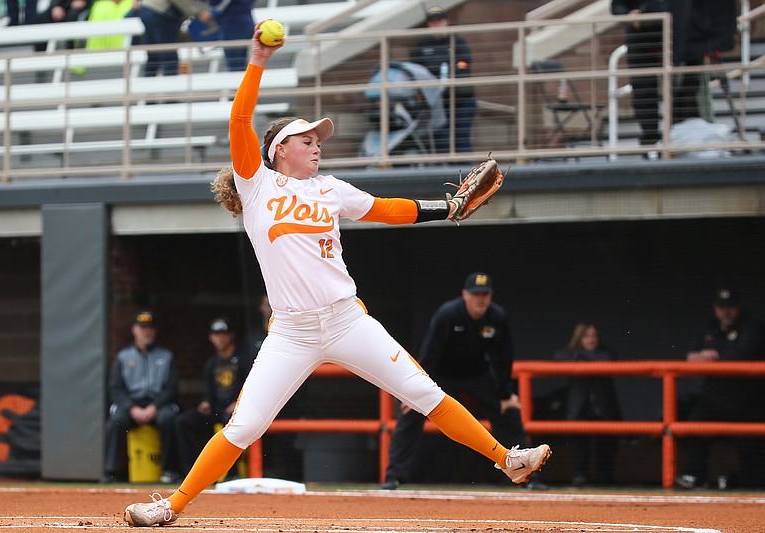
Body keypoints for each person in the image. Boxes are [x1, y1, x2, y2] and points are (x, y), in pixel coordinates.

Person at [122, 26, 551, 527]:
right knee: (245, 426)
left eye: (317, 139)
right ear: (281, 148)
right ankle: (169, 507)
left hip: (348, 320)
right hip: (292, 333)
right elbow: (240, 117)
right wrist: (258, 57)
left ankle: (508, 460)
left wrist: (447, 208)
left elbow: (388, 209)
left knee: (424, 393)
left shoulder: (330, 189)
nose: (316, 144)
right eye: (307, 139)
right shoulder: (257, 186)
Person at [382, 272, 546, 490]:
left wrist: (506, 394)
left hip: (477, 374)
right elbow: (430, 353)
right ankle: (394, 476)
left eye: (485, 294)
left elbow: (503, 358)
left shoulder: (497, 317)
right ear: (465, 295)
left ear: (491, 296)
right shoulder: (447, 314)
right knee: (410, 410)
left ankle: (528, 475)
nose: (480, 299)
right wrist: (415, 388)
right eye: (476, 294)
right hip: (441, 374)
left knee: (508, 411)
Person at [676, 288, 765, 490]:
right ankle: (694, 475)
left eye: (730, 307)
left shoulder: (752, 326)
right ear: (716, 308)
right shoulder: (710, 326)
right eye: (721, 307)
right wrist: (698, 355)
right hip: (715, 397)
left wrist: (713, 356)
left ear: (738, 307)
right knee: (695, 425)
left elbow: (744, 354)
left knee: (750, 447)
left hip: (748, 399)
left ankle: (746, 481)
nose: (726, 312)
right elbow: (689, 353)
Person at [103, 310, 181, 484]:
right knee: (116, 420)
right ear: (134, 330)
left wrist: (154, 406)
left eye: (150, 328)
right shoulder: (123, 357)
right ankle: (110, 471)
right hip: (132, 405)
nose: (147, 331)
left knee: (169, 419)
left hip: (158, 404)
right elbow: (115, 388)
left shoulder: (166, 356)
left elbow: (172, 388)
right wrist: (132, 407)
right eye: (143, 328)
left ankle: (168, 470)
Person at [173, 317, 251, 481]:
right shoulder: (211, 363)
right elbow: (209, 392)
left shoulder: (243, 359)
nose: (221, 337)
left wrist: (238, 403)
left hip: (237, 410)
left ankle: (233, 473)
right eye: (217, 334)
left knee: (229, 420)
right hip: (216, 410)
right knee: (183, 422)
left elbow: (251, 385)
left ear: (232, 336)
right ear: (211, 337)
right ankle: (191, 473)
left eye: (224, 333)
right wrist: (205, 403)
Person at [554, 323, 621, 486]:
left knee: (605, 446)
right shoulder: (570, 354)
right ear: (579, 339)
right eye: (586, 336)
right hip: (580, 409)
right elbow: (558, 357)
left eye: (594, 336)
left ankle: (604, 478)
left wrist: (583, 359)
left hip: (603, 409)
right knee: (581, 447)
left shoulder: (606, 353)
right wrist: (581, 359)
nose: (591, 339)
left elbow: (609, 357)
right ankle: (580, 475)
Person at [409, 6, 476, 154]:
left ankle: (469, 175)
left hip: (461, 100)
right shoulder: (422, 46)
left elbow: (464, 64)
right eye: (432, 22)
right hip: (436, 102)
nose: (436, 25)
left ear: (446, 21)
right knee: (442, 139)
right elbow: (416, 71)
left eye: (439, 21)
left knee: (461, 137)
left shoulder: (457, 41)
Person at [610, 0, 667, 155]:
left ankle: (678, 137)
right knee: (643, 93)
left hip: (671, 36)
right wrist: (630, 15)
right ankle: (650, 140)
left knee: (679, 88)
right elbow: (617, 6)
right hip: (639, 39)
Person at [137, 0, 214, 77]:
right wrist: (199, 13)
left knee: (153, 56)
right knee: (169, 57)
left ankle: (148, 83)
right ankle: (170, 85)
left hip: (147, 8)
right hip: (162, 12)